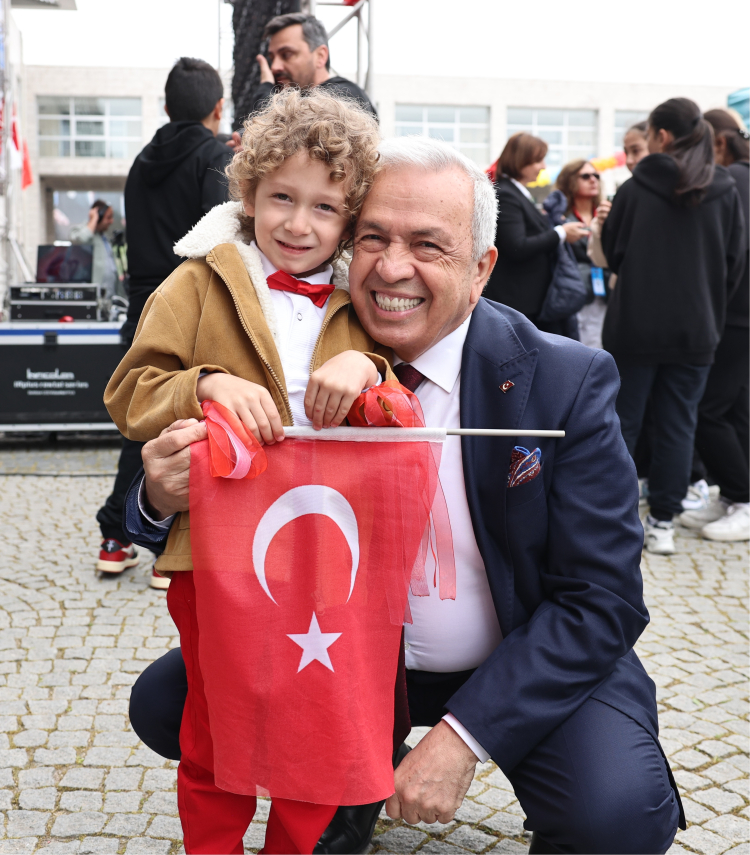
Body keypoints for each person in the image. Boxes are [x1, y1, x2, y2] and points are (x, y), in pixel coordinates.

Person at [123, 136, 685, 855]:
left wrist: (462, 737)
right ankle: (354, 777)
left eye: (428, 245)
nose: (392, 268)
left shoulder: (565, 381)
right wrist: (157, 496)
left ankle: (392, 764)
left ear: (481, 269)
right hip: (347, 656)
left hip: (511, 652)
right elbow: (199, 473)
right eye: (372, 238)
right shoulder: (294, 348)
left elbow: (603, 598)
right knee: (165, 704)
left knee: (617, 816)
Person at [104, 88, 395, 855]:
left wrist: (369, 368)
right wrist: (203, 384)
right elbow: (130, 390)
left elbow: (401, 402)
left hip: (331, 553)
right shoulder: (198, 281)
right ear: (249, 193)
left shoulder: (361, 298)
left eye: (325, 208)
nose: (299, 224)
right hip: (217, 550)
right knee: (214, 724)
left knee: (314, 725)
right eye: (282, 198)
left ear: (351, 218)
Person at [95, 57, 235, 587]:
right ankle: (164, 553)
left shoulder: (141, 162)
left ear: (166, 106)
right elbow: (221, 237)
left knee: (143, 417)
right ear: (218, 107)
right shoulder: (213, 156)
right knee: (191, 417)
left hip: (141, 303)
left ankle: (115, 539)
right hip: (189, 304)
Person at [601, 97, 746, 555]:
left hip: (636, 325)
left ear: (661, 136)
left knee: (623, 423)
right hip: (697, 328)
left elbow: (614, 252)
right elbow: (733, 264)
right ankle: (663, 521)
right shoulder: (723, 189)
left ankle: (611, 518)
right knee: (678, 426)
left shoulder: (635, 188)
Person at [679, 109, 750, 541]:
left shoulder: (732, 180)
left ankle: (741, 497)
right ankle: (734, 497)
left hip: (734, 314)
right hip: (739, 313)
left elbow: (730, 254)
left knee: (707, 409)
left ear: (717, 143)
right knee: (735, 407)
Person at [484, 132, 588, 338]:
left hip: (526, 300)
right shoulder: (506, 194)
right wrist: (560, 233)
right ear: (520, 159)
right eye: (538, 160)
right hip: (517, 301)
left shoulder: (516, 192)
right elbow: (517, 246)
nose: (543, 167)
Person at [251, 13, 376, 119]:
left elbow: (280, 127)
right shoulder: (300, 101)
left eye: (287, 54)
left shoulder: (345, 96)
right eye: (272, 58)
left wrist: (266, 87)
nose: (274, 67)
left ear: (320, 56)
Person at [554, 160, 610, 348]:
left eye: (596, 176)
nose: (593, 180)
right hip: (574, 294)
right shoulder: (559, 216)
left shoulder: (605, 213)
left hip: (607, 293)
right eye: (585, 176)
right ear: (569, 180)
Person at [70, 200, 119, 301]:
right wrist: (94, 218)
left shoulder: (104, 237)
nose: (111, 221)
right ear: (99, 217)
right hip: (92, 298)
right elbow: (81, 239)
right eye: (108, 217)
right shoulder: (82, 231)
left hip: (108, 298)